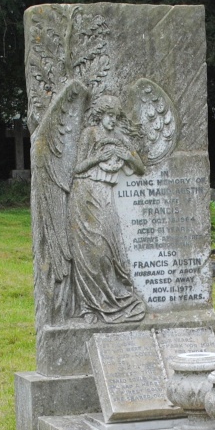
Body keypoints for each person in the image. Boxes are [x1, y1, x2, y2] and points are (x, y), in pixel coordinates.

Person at [66, 94, 147, 324]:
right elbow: (77, 169)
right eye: (109, 116)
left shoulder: (119, 137)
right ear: (100, 115)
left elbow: (139, 167)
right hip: (85, 193)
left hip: (105, 195)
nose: (112, 120)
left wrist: (127, 157)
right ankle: (89, 306)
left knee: (107, 249)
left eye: (115, 116)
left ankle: (112, 301)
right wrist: (97, 158)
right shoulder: (89, 134)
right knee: (89, 252)